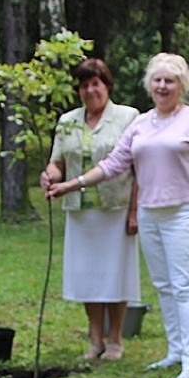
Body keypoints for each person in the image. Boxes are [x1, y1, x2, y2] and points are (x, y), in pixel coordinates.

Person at [47, 53, 189, 378]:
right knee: (164, 285)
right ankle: (176, 351)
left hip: (183, 211)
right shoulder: (141, 123)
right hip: (150, 214)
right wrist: (73, 183)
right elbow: (113, 164)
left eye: (169, 80)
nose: (162, 86)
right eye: (157, 80)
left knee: (184, 286)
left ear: (182, 85)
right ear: (149, 86)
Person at [40, 58, 140, 361]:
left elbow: (139, 167)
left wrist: (135, 211)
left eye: (95, 83)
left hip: (116, 207)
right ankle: (95, 339)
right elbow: (58, 162)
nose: (90, 90)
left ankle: (115, 339)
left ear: (107, 85)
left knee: (115, 273)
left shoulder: (128, 117)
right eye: (84, 85)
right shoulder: (67, 121)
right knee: (87, 275)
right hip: (80, 210)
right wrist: (50, 175)